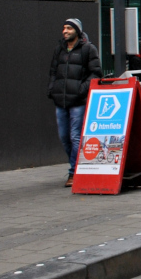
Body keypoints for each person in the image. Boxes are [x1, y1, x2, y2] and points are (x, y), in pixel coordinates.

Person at [48, 18, 101, 187]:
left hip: (78, 101)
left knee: (75, 136)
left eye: (69, 28)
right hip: (61, 100)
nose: (65, 31)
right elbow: (53, 71)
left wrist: (81, 90)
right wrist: (52, 89)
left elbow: (96, 73)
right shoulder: (59, 49)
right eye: (64, 28)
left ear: (77, 31)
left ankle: (73, 172)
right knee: (64, 137)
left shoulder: (88, 49)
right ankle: (78, 165)